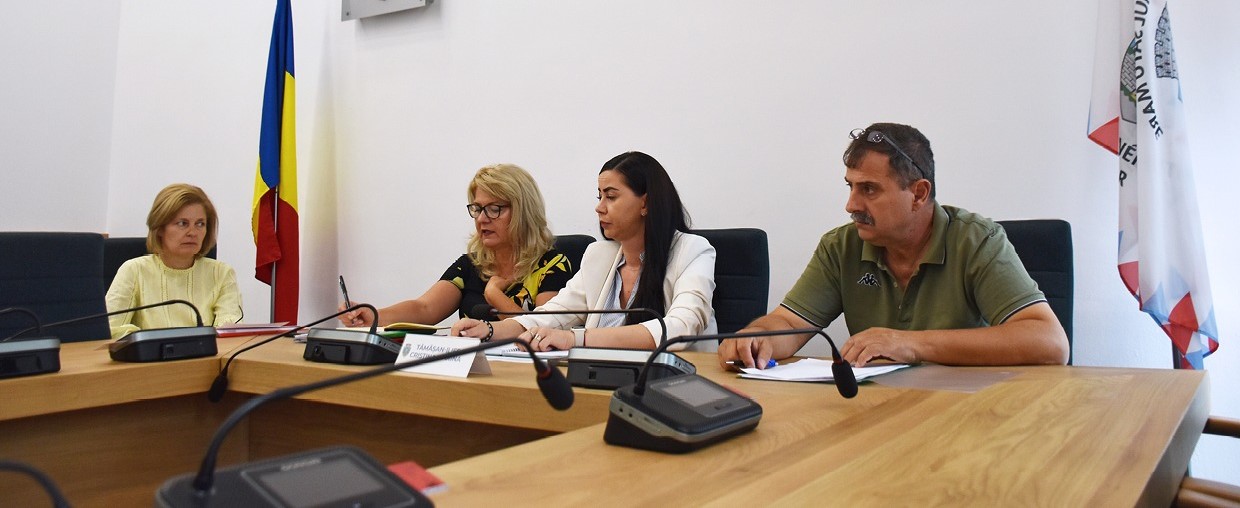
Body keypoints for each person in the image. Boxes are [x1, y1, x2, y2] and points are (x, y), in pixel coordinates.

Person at [718, 122, 1069, 369]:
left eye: (869, 189)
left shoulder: (977, 241)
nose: (851, 205)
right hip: (877, 412)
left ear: (918, 194)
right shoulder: (841, 246)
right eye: (850, 187)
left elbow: (1050, 342)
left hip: (965, 413)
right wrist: (755, 338)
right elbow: (789, 324)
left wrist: (910, 344)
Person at [452, 151, 717, 352]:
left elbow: (681, 327)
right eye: (599, 196)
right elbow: (551, 316)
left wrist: (575, 338)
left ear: (645, 203)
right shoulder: (599, 256)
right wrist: (488, 330)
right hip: (603, 381)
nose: (599, 207)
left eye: (611, 197)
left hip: (673, 386)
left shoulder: (692, 251)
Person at [340, 164, 574, 327]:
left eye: (494, 209)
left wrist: (494, 294)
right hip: (472, 368)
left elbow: (542, 328)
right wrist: (371, 315)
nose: (482, 218)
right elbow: (424, 308)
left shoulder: (552, 264)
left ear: (523, 212)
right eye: (477, 208)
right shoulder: (472, 265)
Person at [106, 183, 243, 339]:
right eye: (182, 223)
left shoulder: (221, 273)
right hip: (150, 354)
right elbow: (111, 329)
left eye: (200, 224)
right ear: (159, 228)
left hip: (206, 354)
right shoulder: (134, 270)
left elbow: (230, 330)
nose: (193, 232)